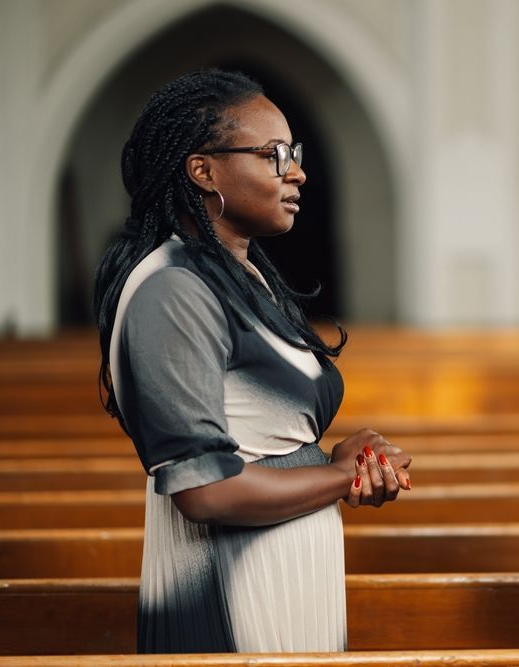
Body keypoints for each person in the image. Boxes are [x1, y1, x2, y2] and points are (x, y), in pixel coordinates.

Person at [92, 69, 411, 654]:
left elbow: (263, 437)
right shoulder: (174, 289)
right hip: (226, 587)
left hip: (280, 568)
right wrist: (340, 477)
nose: (297, 172)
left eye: (295, 154)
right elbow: (204, 491)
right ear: (203, 170)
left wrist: (342, 452)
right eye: (274, 155)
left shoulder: (241, 274)